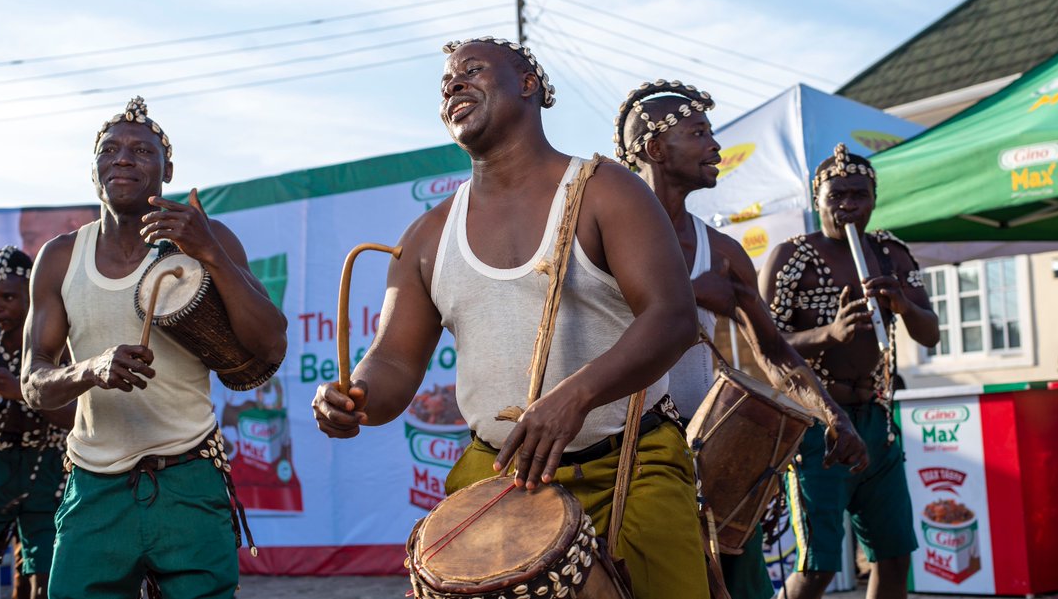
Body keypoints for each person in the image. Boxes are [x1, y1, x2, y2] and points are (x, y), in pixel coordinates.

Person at [313, 38, 709, 598]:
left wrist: (573, 397)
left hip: (631, 464)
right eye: (446, 81)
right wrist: (354, 399)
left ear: (529, 84)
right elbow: (394, 360)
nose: (452, 84)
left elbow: (672, 318)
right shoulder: (427, 237)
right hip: (499, 477)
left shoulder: (603, 190)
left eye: (472, 70)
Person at [21, 97, 288, 598]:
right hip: (93, 485)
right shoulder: (60, 258)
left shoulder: (206, 239)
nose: (123, 157)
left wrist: (207, 250)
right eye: (110, 148)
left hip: (189, 476)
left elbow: (271, 341)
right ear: (94, 168)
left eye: (143, 150)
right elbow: (34, 384)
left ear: (168, 170)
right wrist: (91, 369)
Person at [616, 81, 869, 599]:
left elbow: (774, 352)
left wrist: (832, 415)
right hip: (620, 455)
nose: (715, 147)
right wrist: (688, 297)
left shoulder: (725, 252)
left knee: (741, 586)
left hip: (710, 456)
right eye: (698, 133)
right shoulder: (601, 238)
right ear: (655, 149)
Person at [759, 144, 940, 599]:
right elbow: (765, 349)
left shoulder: (891, 253)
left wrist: (900, 303)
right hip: (819, 425)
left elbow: (930, 333)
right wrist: (829, 334)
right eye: (836, 196)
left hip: (878, 419)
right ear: (816, 200)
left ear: (874, 198)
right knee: (818, 566)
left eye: (858, 195)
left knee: (894, 556)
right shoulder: (789, 258)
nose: (847, 206)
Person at [0, 247, 73, 599]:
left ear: (32, 295)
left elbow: (81, 415)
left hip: (48, 471)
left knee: (43, 579)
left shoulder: (58, 343)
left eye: (8, 297)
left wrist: (21, 393)